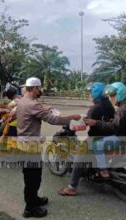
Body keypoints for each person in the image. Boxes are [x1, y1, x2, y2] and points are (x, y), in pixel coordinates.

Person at [16, 77, 81, 218]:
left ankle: (34, 199)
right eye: (39, 88)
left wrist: (45, 109)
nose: (41, 91)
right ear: (34, 88)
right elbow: (53, 120)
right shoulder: (32, 104)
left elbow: (35, 112)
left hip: (24, 143)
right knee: (32, 178)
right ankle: (30, 208)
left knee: (32, 176)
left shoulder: (22, 101)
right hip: (29, 146)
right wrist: (72, 118)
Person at [58, 82, 115, 196]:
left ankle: (72, 187)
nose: (89, 95)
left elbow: (84, 122)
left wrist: (69, 119)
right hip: (110, 135)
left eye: (90, 93)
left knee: (79, 157)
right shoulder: (108, 105)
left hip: (97, 137)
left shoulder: (95, 108)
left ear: (96, 93)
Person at [84, 82, 126, 178]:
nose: (110, 98)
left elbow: (114, 127)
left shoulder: (123, 108)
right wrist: (112, 120)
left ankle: (103, 170)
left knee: (97, 144)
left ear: (119, 94)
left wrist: (96, 123)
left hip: (124, 139)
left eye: (112, 96)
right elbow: (121, 122)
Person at [0, 83, 22, 163]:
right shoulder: (20, 98)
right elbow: (9, 108)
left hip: (12, 122)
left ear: (9, 94)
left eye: (7, 94)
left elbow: (10, 110)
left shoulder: (14, 102)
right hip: (21, 122)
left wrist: (0, 109)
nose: (7, 96)